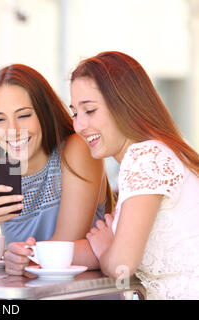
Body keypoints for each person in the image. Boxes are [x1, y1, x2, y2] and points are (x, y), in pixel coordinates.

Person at [0, 64, 113, 276]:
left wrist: (24, 258)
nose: (13, 130)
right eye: (0, 119)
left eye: (24, 115)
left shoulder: (75, 150)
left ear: (44, 113)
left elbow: (60, 253)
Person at [68, 51, 199, 299]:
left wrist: (109, 248)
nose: (79, 125)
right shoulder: (155, 152)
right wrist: (30, 253)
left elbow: (121, 264)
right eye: (75, 113)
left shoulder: (146, 157)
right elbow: (100, 251)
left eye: (90, 110)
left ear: (124, 105)